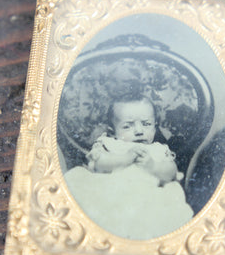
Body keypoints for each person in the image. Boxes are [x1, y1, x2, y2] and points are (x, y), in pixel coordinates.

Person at [64, 94, 193, 240]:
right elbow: (98, 164)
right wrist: (124, 158)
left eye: (146, 124)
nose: (139, 130)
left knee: (157, 214)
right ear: (113, 130)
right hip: (111, 193)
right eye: (127, 126)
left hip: (148, 196)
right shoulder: (110, 143)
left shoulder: (158, 149)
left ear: (155, 126)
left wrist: (153, 165)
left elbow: (171, 172)